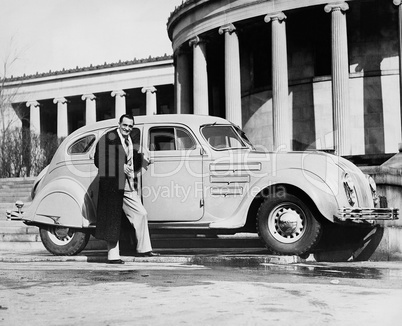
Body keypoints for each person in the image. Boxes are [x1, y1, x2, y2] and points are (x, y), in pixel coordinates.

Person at [94, 113, 159, 264]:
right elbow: (99, 161)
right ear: (119, 124)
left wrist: (143, 160)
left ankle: (144, 249)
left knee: (141, 213)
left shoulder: (130, 139)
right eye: (125, 125)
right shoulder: (108, 137)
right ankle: (113, 256)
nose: (127, 128)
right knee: (112, 218)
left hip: (127, 185)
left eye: (130, 126)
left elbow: (131, 161)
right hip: (111, 185)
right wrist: (120, 166)